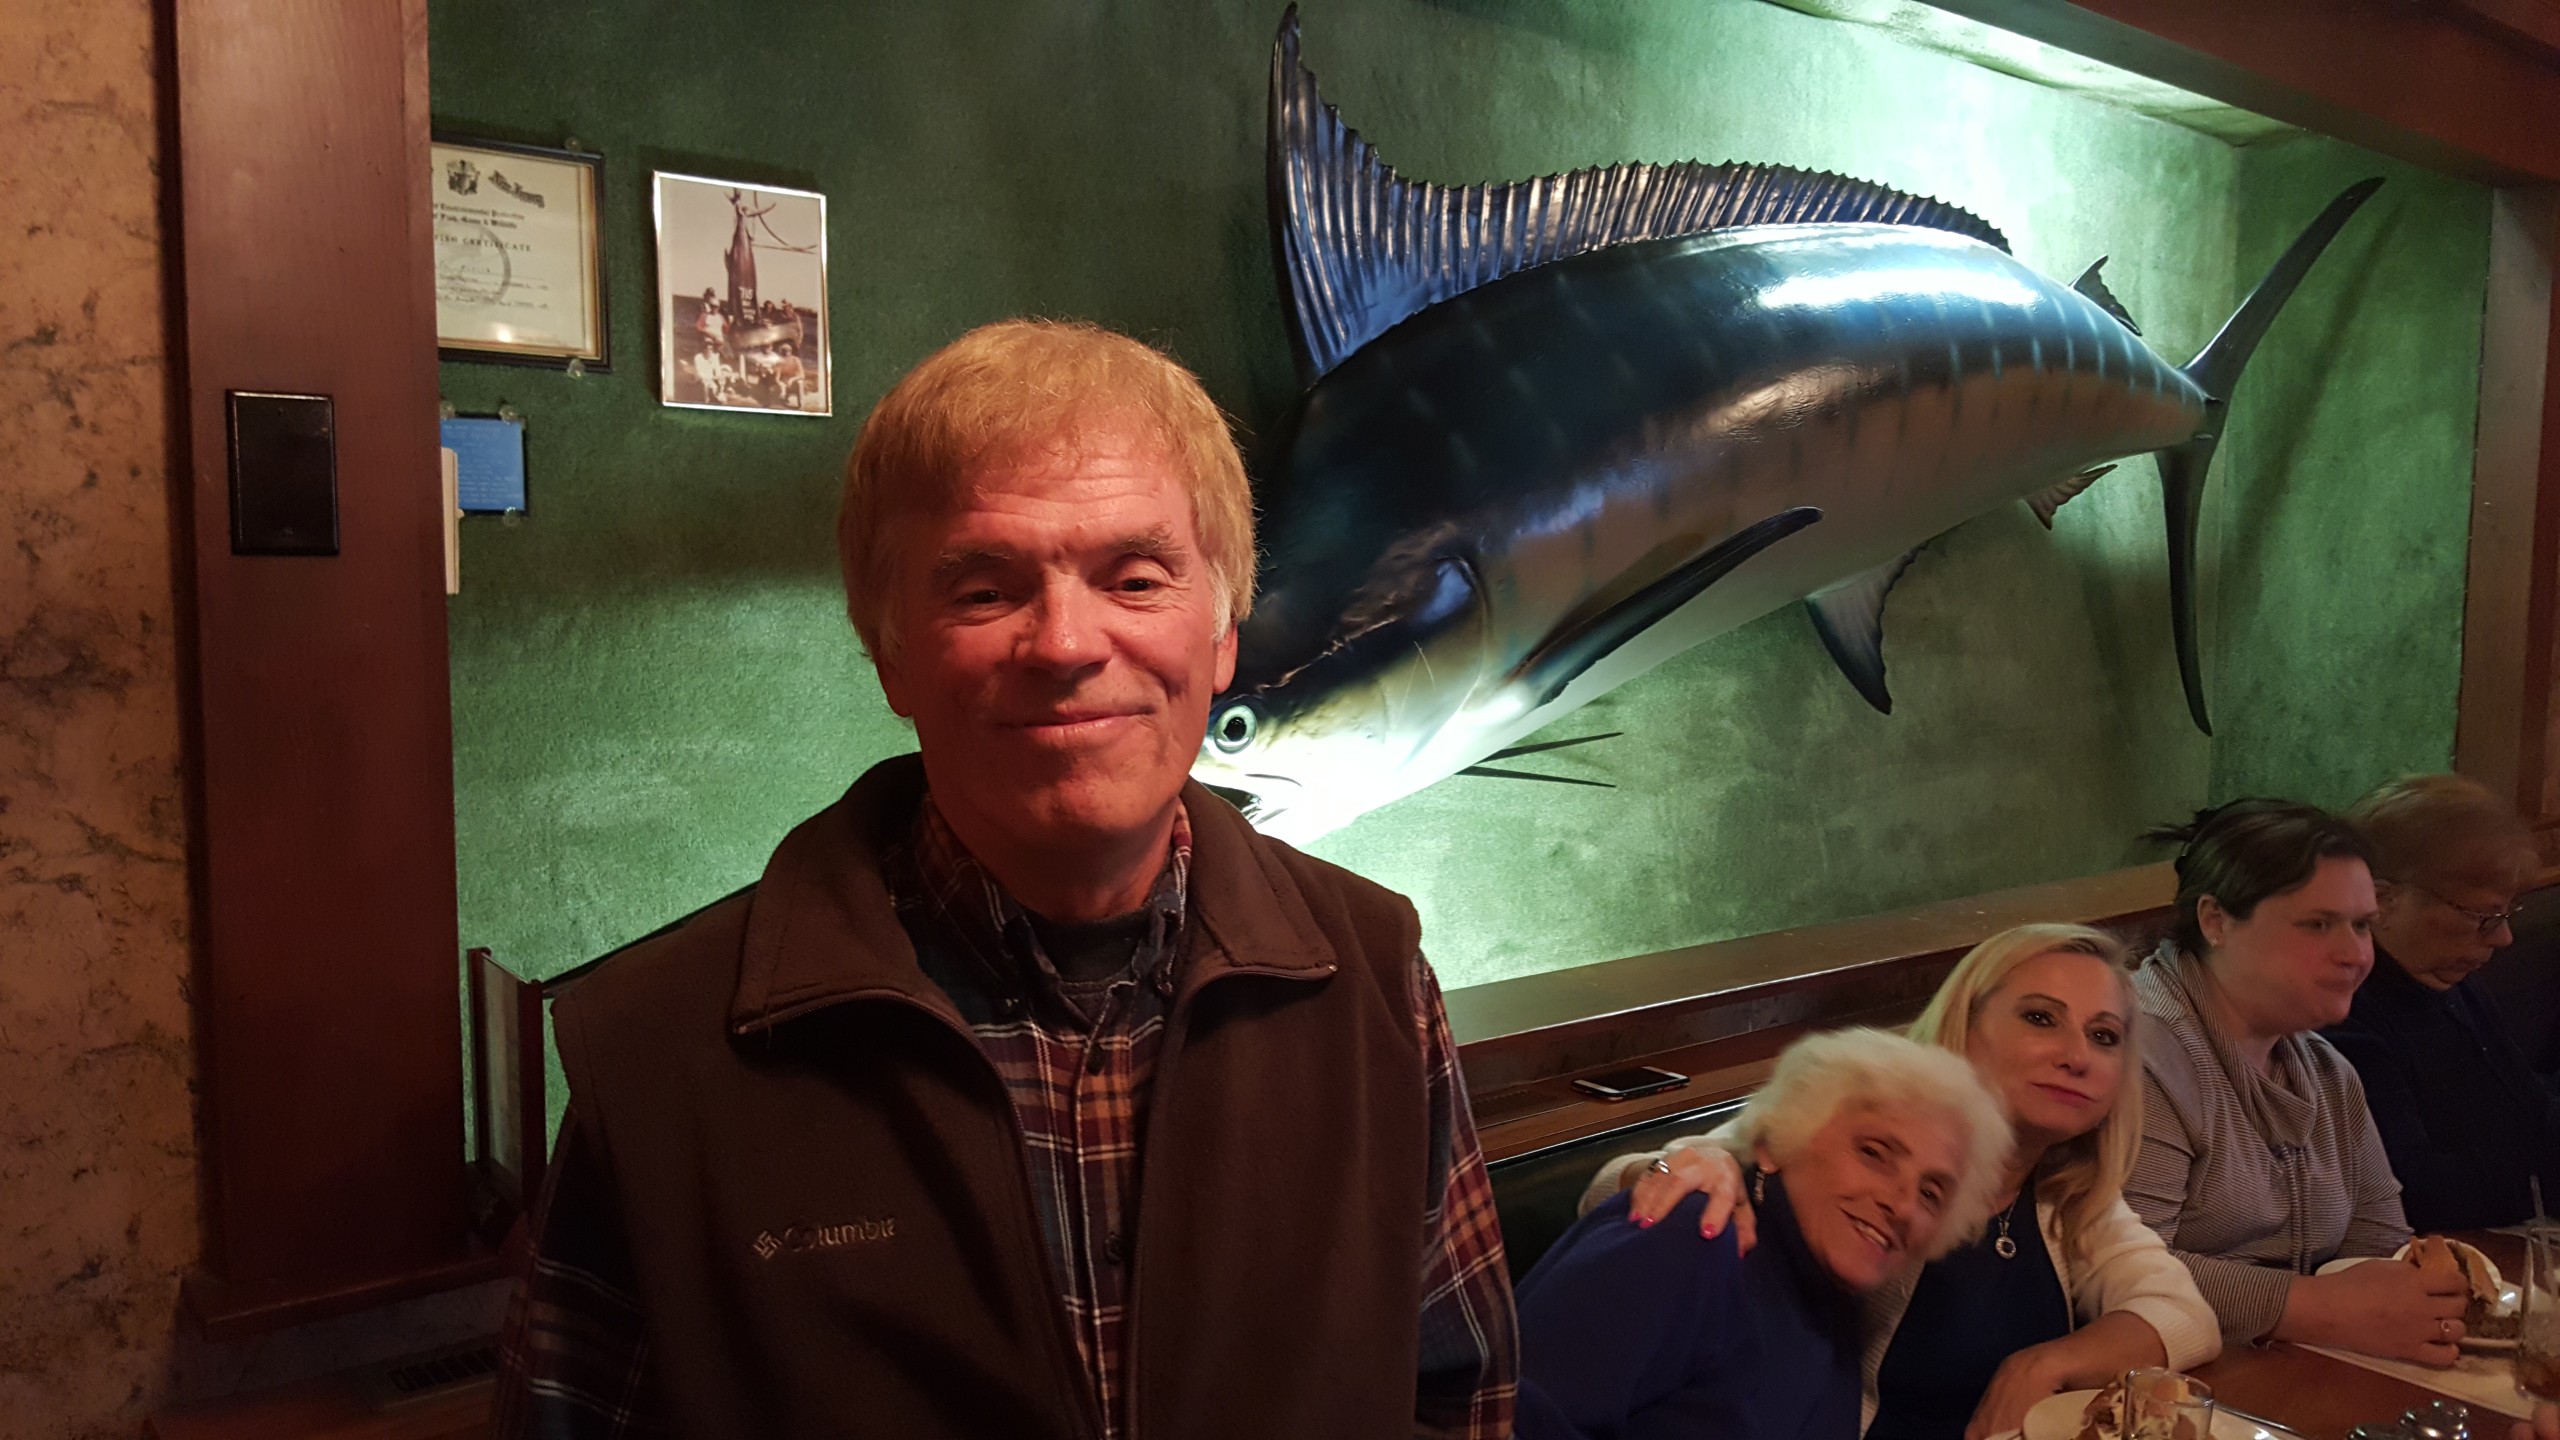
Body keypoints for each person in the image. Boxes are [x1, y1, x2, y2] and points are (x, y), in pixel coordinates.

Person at [489, 319, 1517, 1439]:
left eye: (1134, 576)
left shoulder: (1374, 978)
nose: (1066, 643)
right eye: (983, 591)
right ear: (887, 650)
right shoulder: (662, 1057)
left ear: (1220, 635)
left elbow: (1458, 1402)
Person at [1583, 925, 2220, 1438]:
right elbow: (1633, 1182)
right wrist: (1687, 1165)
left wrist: (2044, 1363)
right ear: (1964, 1027)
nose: (2077, 1056)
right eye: (2041, 1019)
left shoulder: (2068, 1194)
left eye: (2103, 1036)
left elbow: (2185, 1315)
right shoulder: (1868, 1119)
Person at [1516, 1028, 2010, 1440]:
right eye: (1874, 1153)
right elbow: (1496, 1424)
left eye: (1931, 1194)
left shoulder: (1831, 1301)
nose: (1902, 1204)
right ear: (1776, 1141)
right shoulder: (1693, 1237)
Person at [2125, 798, 2465, 1363]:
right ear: (2215, 922)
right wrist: (2317, 1306)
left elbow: (2379, 1243)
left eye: (2361, 926)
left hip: (2284, 1372)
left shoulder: (2326, 1069)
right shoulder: (2138, 1051)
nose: (2355, 954)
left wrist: (2417, 1296)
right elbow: (2126, 1268)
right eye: (2317, 924)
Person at [2324, 773, 2554, 1230]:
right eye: (2483, 916)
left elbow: (2530, 1107)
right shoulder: (2343, 1016)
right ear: (2381, 901)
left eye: (2507, 915)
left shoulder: (2449, 981)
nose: (2504, 937)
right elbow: (2417, 1192)